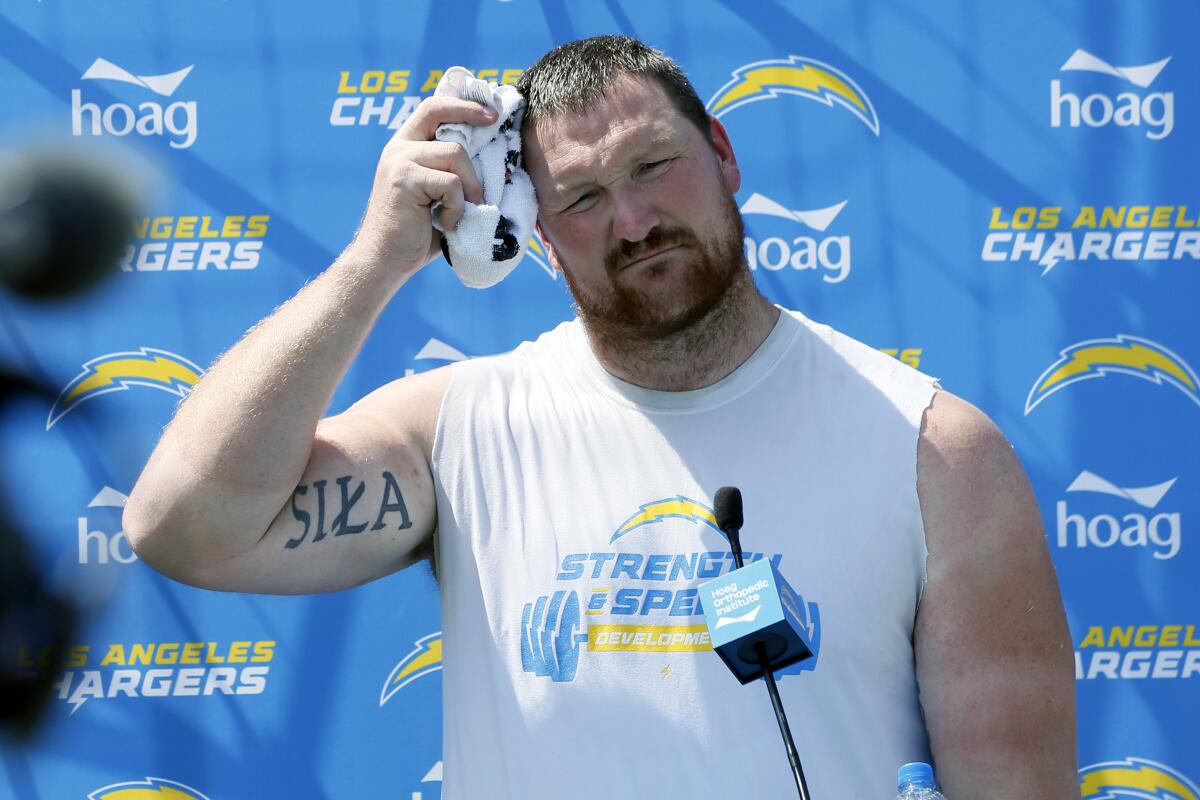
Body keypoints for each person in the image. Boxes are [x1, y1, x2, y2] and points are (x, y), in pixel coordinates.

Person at [125, 35, 1077, 799]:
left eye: (653, 166)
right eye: (581, 197)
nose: (631, 221)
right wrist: (376, 260)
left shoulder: (934, 453)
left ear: (726, 156)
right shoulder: (461, 428)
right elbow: (182, 529)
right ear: (537, 239)